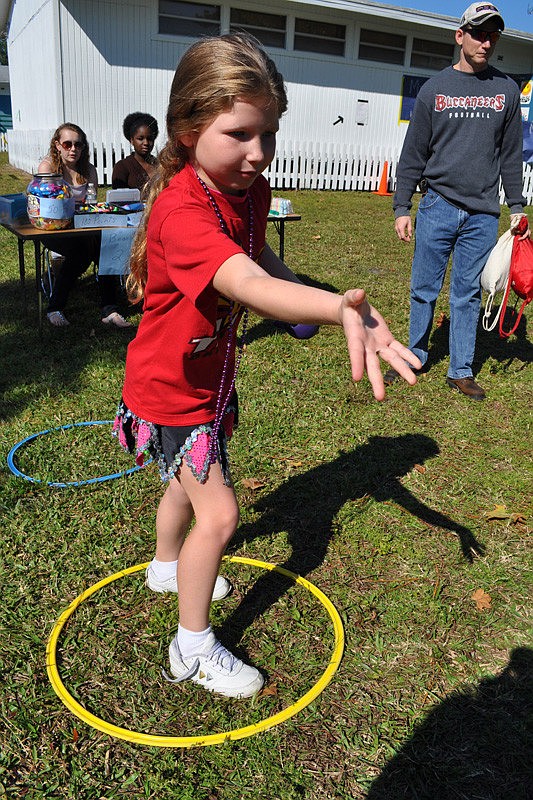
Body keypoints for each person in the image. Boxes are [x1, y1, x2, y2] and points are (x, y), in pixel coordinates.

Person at [113, 32, 421, 699]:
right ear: (188, 130)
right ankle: (190, 648)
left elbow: (263, 266)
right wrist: (343, 311)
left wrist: (317, 298)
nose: (257, 154)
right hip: (170, 389)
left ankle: (167, 565)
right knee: (218, 514)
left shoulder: (247, 193)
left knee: (184, 483)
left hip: (209, 375)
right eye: (240, 134)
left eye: (269, 134)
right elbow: (243, 282)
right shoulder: (183, 211)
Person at [389, 2, 529, 400]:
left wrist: (517, 206)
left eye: (493, 35)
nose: (486, 42)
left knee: (467, 291)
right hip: (438, 205)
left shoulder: (505, 91)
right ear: (460, 36)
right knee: (423, 288)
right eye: (479, 33)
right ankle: (415, 355)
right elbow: (413, 153)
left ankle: (460, 369)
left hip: (483, 214)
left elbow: (510, 155)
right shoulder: (435, 89)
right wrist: (402, 206)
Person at [38, 123, 132, 328]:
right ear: (57, 145)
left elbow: (91, 204)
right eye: (67, 143)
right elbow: (48, 206)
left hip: (82, 227)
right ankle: (55, 307)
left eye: (78, 145)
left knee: (105, 246)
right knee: (81, 253)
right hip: (54, 229)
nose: (73, 149)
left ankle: (110, 308)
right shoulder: (48, 168)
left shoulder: (89, 169)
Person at [112, 112, 159, 192]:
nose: (146, 143)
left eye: (150, 138)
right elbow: (119, 199)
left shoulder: (160, 166)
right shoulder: (122, 167)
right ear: (132, 140)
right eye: (140, 139)